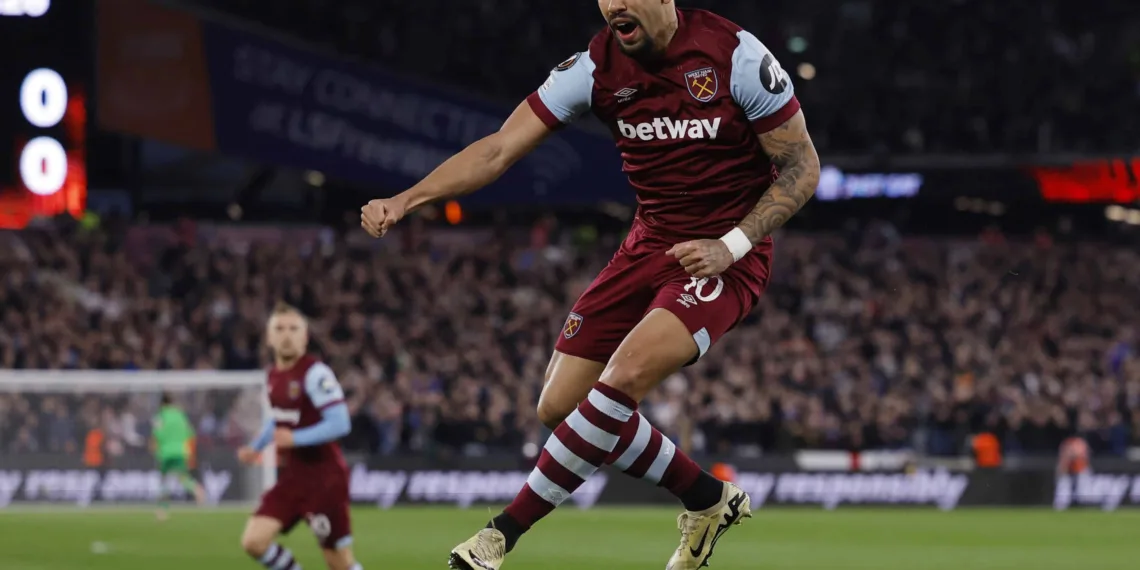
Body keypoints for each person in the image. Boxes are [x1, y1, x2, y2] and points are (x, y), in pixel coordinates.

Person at [361, 1, 820, 568]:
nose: (614, 5)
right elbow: (500, 147)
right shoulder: (594, 68)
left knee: (623, 376)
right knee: (560, 406)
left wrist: (731, 245)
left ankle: (500, 536)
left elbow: (803, 167)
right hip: (648, 244)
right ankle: (707, 499)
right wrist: (405, 199)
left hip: (725, 254)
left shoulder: (736, 56)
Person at [238, 303, 360, 570]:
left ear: (305, 337)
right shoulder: (272, 377)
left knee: (338, 563)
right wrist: (256, 446)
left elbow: (340, 423)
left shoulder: (315, 374)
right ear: (269, 338)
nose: (286, 334)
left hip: (324, 479)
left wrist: (296, 439)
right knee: (254, 541)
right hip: (294, 477)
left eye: (294, 329)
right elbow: (280, 419)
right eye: (279, 329)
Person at [151, 392, 206, 520]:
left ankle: (162, 511)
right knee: (182, 478)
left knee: (164, 480)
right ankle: (197, 490)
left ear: (162, 404)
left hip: (165, 452)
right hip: (181, 451)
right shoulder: (180, 415)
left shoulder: (160, 416)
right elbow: (190, 434)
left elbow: (156, 435)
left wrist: (155, 449)